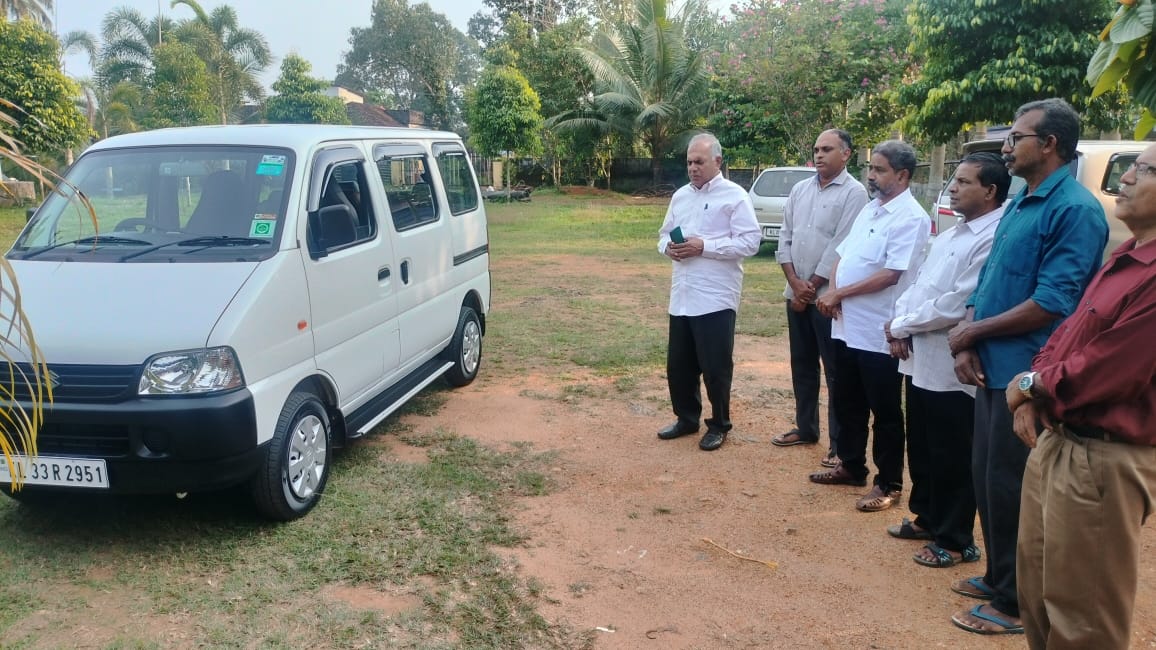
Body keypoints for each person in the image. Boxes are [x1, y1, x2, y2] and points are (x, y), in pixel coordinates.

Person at [946, 98, 1108, 636]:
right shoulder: (1019, 202)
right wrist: (967, 338)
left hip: (1027, 374)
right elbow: (989, 278)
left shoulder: (1075, 210)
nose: (1007, 146)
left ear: (1051, 144)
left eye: (1017, 137)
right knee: (988, 478)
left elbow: (1054, 302)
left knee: (1016, 486)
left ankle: (1016, 603)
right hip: (990, 366)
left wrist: (973, 333)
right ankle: (999, 576)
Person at [1003, 142, 1156, 649]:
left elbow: (1113, 369)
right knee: (1038, 596)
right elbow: (1065, 338)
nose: (1126, 178)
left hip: (1105, 456)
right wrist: (1034, 387)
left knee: (1084, 619)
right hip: (1059, 440)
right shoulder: (1126, 258)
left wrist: (1029, 386)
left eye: (1144, 170)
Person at [883, 152, 1009, 568]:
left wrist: (902, 325)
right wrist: (899, 323)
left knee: (952, 452)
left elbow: (957, 304)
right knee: (922, 444)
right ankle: (928, 517)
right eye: (954, 181)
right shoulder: (953, 233)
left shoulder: (992, 237)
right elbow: (918, 284)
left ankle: (956, 540)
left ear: (990, 191)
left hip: (952, 365)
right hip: (921, 356)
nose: (952, 189)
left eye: (964, 182)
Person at [808, 140, 930, 512]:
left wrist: (839, 293)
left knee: (885, 411)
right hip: (848, 324)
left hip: (880, 331)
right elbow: (842, 254)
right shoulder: (871, 209)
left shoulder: (911, 217)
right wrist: (834, 289)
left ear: (902, 175)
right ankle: (851, 465)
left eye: (879, 170)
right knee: (848, 400)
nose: (871, 176)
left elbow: (892, 274)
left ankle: (889, 483)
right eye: (871, 168)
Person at [656, 132, 762, 451]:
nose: (692, 168)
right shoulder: (680, 196)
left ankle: (719, 424)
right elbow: (663, 235)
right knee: (679, 366)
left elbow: (750, 242)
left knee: (715, 368)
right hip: (683, 294)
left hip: (716, 297)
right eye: (689, 162)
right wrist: (668, 248)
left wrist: (705, 246)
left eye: (699, 162)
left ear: (718, 161)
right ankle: (686, 418)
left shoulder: (735, 196)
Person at [771, 129, 869, 468]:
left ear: (846, 154)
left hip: (827, 298)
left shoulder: (855, 193)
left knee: (836, 372)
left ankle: (839, 445)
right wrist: (794, 283)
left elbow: (841, 246)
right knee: (802, 365)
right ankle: (806, 428)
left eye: (827, 149)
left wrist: (809, 287)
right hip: (795, 292)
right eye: (816, 149)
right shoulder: (800, 189)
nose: (819, 155)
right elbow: (785, 237)